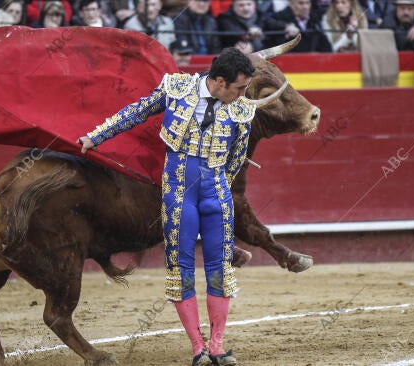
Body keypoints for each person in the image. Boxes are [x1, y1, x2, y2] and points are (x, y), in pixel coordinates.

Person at [77, 47, 259, 366]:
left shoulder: (242, 110)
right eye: (240, 87)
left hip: (216, 193)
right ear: (219, 81)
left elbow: (235, 161)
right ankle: (198, 348)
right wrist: (97, 136)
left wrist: (220, 193)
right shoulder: (177, 88)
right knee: (181, 270)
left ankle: (217, 347)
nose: (244, 94)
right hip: (179, 190)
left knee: (220, 271)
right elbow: (138, 111)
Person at [263, 0, 332, 52]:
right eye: (301, 3)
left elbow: (326, 47)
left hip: (314, 65)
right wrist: (285, 27)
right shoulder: (279, 18)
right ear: (291, 4)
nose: (305, 7)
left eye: (307, 3)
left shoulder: (315, 19)